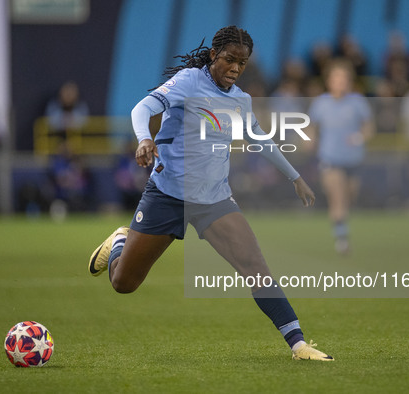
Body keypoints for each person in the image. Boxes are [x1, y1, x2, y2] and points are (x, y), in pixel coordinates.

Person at [88, 26, 333, 361]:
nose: (234, 68)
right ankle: (119, 241)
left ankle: (299, 345)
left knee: (256, 268)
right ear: (214, 55)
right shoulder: (190, 81)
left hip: (215, 200)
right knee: (123, 283)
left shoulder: (240, 100)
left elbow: (260, 139)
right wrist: (144, 138)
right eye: (229, 59)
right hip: (167, 196)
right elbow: (141, 109)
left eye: (241, 63)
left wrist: (295, 176)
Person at [307, 59, 374, 254]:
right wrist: (309, 139)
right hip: (330, 158)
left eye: (344, 78)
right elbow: (311, 127)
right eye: (336, 78)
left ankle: (341, 227)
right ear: (329, 81)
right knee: (337, 197)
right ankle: (342, 240)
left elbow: (369, 126)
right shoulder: (321, 103)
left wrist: (360, 137)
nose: (340, 82)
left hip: (353, 159)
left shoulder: (358, 102)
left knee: (349, 198)